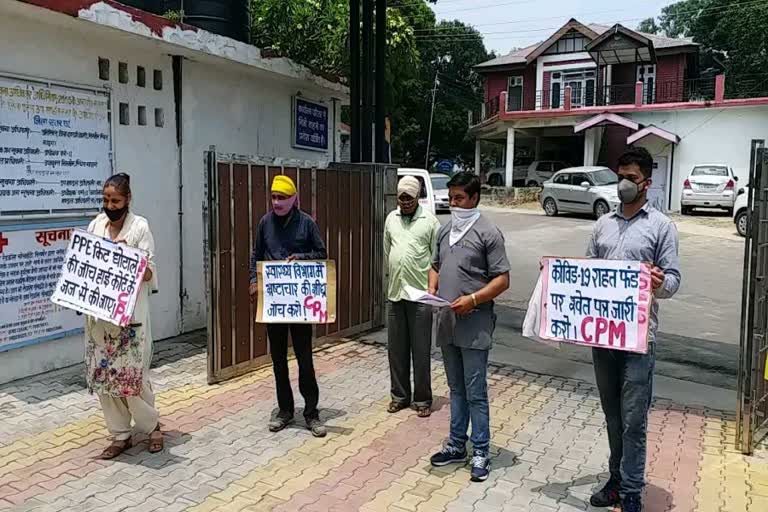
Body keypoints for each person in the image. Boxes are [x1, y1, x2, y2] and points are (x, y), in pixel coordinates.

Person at [587, 147, 681, 512]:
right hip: (603, 336)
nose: (624, 184)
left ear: (647, 183)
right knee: (613, 416)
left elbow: (673, 281)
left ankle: (630, 492)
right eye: (620, 176)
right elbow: (588, 271)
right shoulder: (603, 224)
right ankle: (615, 479)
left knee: (634, 420)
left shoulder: (661, 227)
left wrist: (658, 282)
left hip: (640, 340)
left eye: (631, 178)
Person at [427, 172, 510, 482]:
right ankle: (456, 444)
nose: (453, 204)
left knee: (476, 392)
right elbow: (435, 265)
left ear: (474, 198)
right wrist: (432, 288)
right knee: (455, 389)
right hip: (447, 321)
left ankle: (481, 450)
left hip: (474, 324)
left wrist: (473, 299)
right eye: (450, 198)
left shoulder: (488, 233)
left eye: (459, 198)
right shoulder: (446, 231)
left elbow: (503, 279)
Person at [86, 173, 163, 459]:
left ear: (127, 199)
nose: (110, 205)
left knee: (134, 376)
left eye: (115, 200)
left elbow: (149, 271)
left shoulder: (139, 227)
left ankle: (152, 426)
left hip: (130, 318)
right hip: (101, 320)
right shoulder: (95, 225)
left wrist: (125, 257)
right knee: (106, 377)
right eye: (106, 200)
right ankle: (120, 434)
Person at [249, 175, 328, 437]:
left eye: (282, 197)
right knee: (278, 359)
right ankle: (285, 410)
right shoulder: (265, 223)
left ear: (293, 199)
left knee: (305, 359)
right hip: (275, 303)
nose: (277, 202)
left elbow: (322, 254)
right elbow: (256, 255)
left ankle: (311, 412)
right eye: (274, 197)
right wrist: (253, 281)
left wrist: (301, 258)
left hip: (300, 304)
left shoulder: (306, 223)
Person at [383, 176, 441, 418]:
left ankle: (423, 399)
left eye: (409, 197)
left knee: (420, 350)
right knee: (396, 350)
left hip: (420, 296)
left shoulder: (430, 222)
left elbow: (436, 260)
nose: (405, 202)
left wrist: (432, 288)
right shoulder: (391, 219)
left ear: (417, 197)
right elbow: (388, 250)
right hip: (396, 292)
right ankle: (399, 396)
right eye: (401, 197)